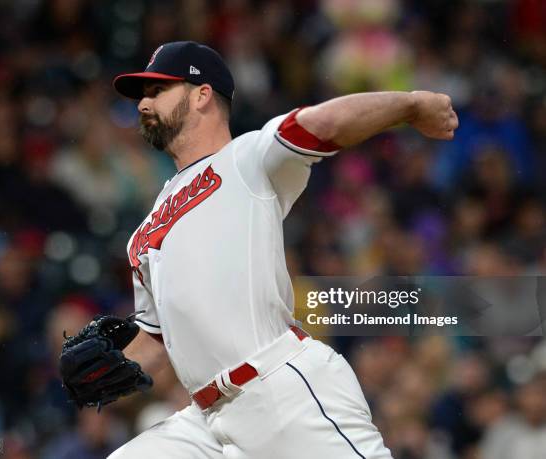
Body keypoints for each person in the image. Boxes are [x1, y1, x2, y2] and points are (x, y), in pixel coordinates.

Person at [107, 41, 458, 458]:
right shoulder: (144, 232)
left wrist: (413, 105)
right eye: (141, 96)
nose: (143, 103)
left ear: (202, 94)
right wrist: (110, 367)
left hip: (280, 389)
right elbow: (155, 338)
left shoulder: (246, 158)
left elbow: (323, 123)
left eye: (156, 91)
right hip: (204, 421)